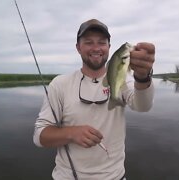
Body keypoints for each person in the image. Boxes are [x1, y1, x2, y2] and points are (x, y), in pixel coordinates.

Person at [33, 19, 155, 180]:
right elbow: (39, 137)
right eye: (89, 42)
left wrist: (142, 76)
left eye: (102, 42)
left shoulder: (123, 78)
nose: (96, 48)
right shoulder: (59, 84)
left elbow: (142, 106)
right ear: (78, 47)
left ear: (109, 47)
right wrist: (71, 133)